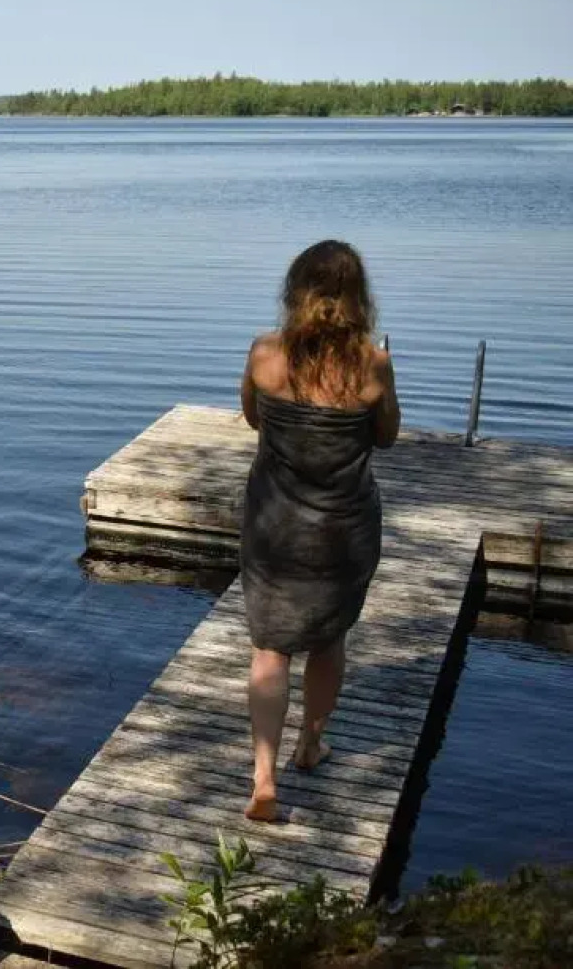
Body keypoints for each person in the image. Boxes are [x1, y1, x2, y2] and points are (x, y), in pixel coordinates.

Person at [238, 240, 400, 822]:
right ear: (359, 298)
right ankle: (309, 744)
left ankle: (263, 778)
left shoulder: (264, 354)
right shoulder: (373, 365)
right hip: (342, 531)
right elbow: (386, 436)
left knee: (269, 650)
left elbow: (253, 417)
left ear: (296, 291)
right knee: (329, 641)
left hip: (274, 528)